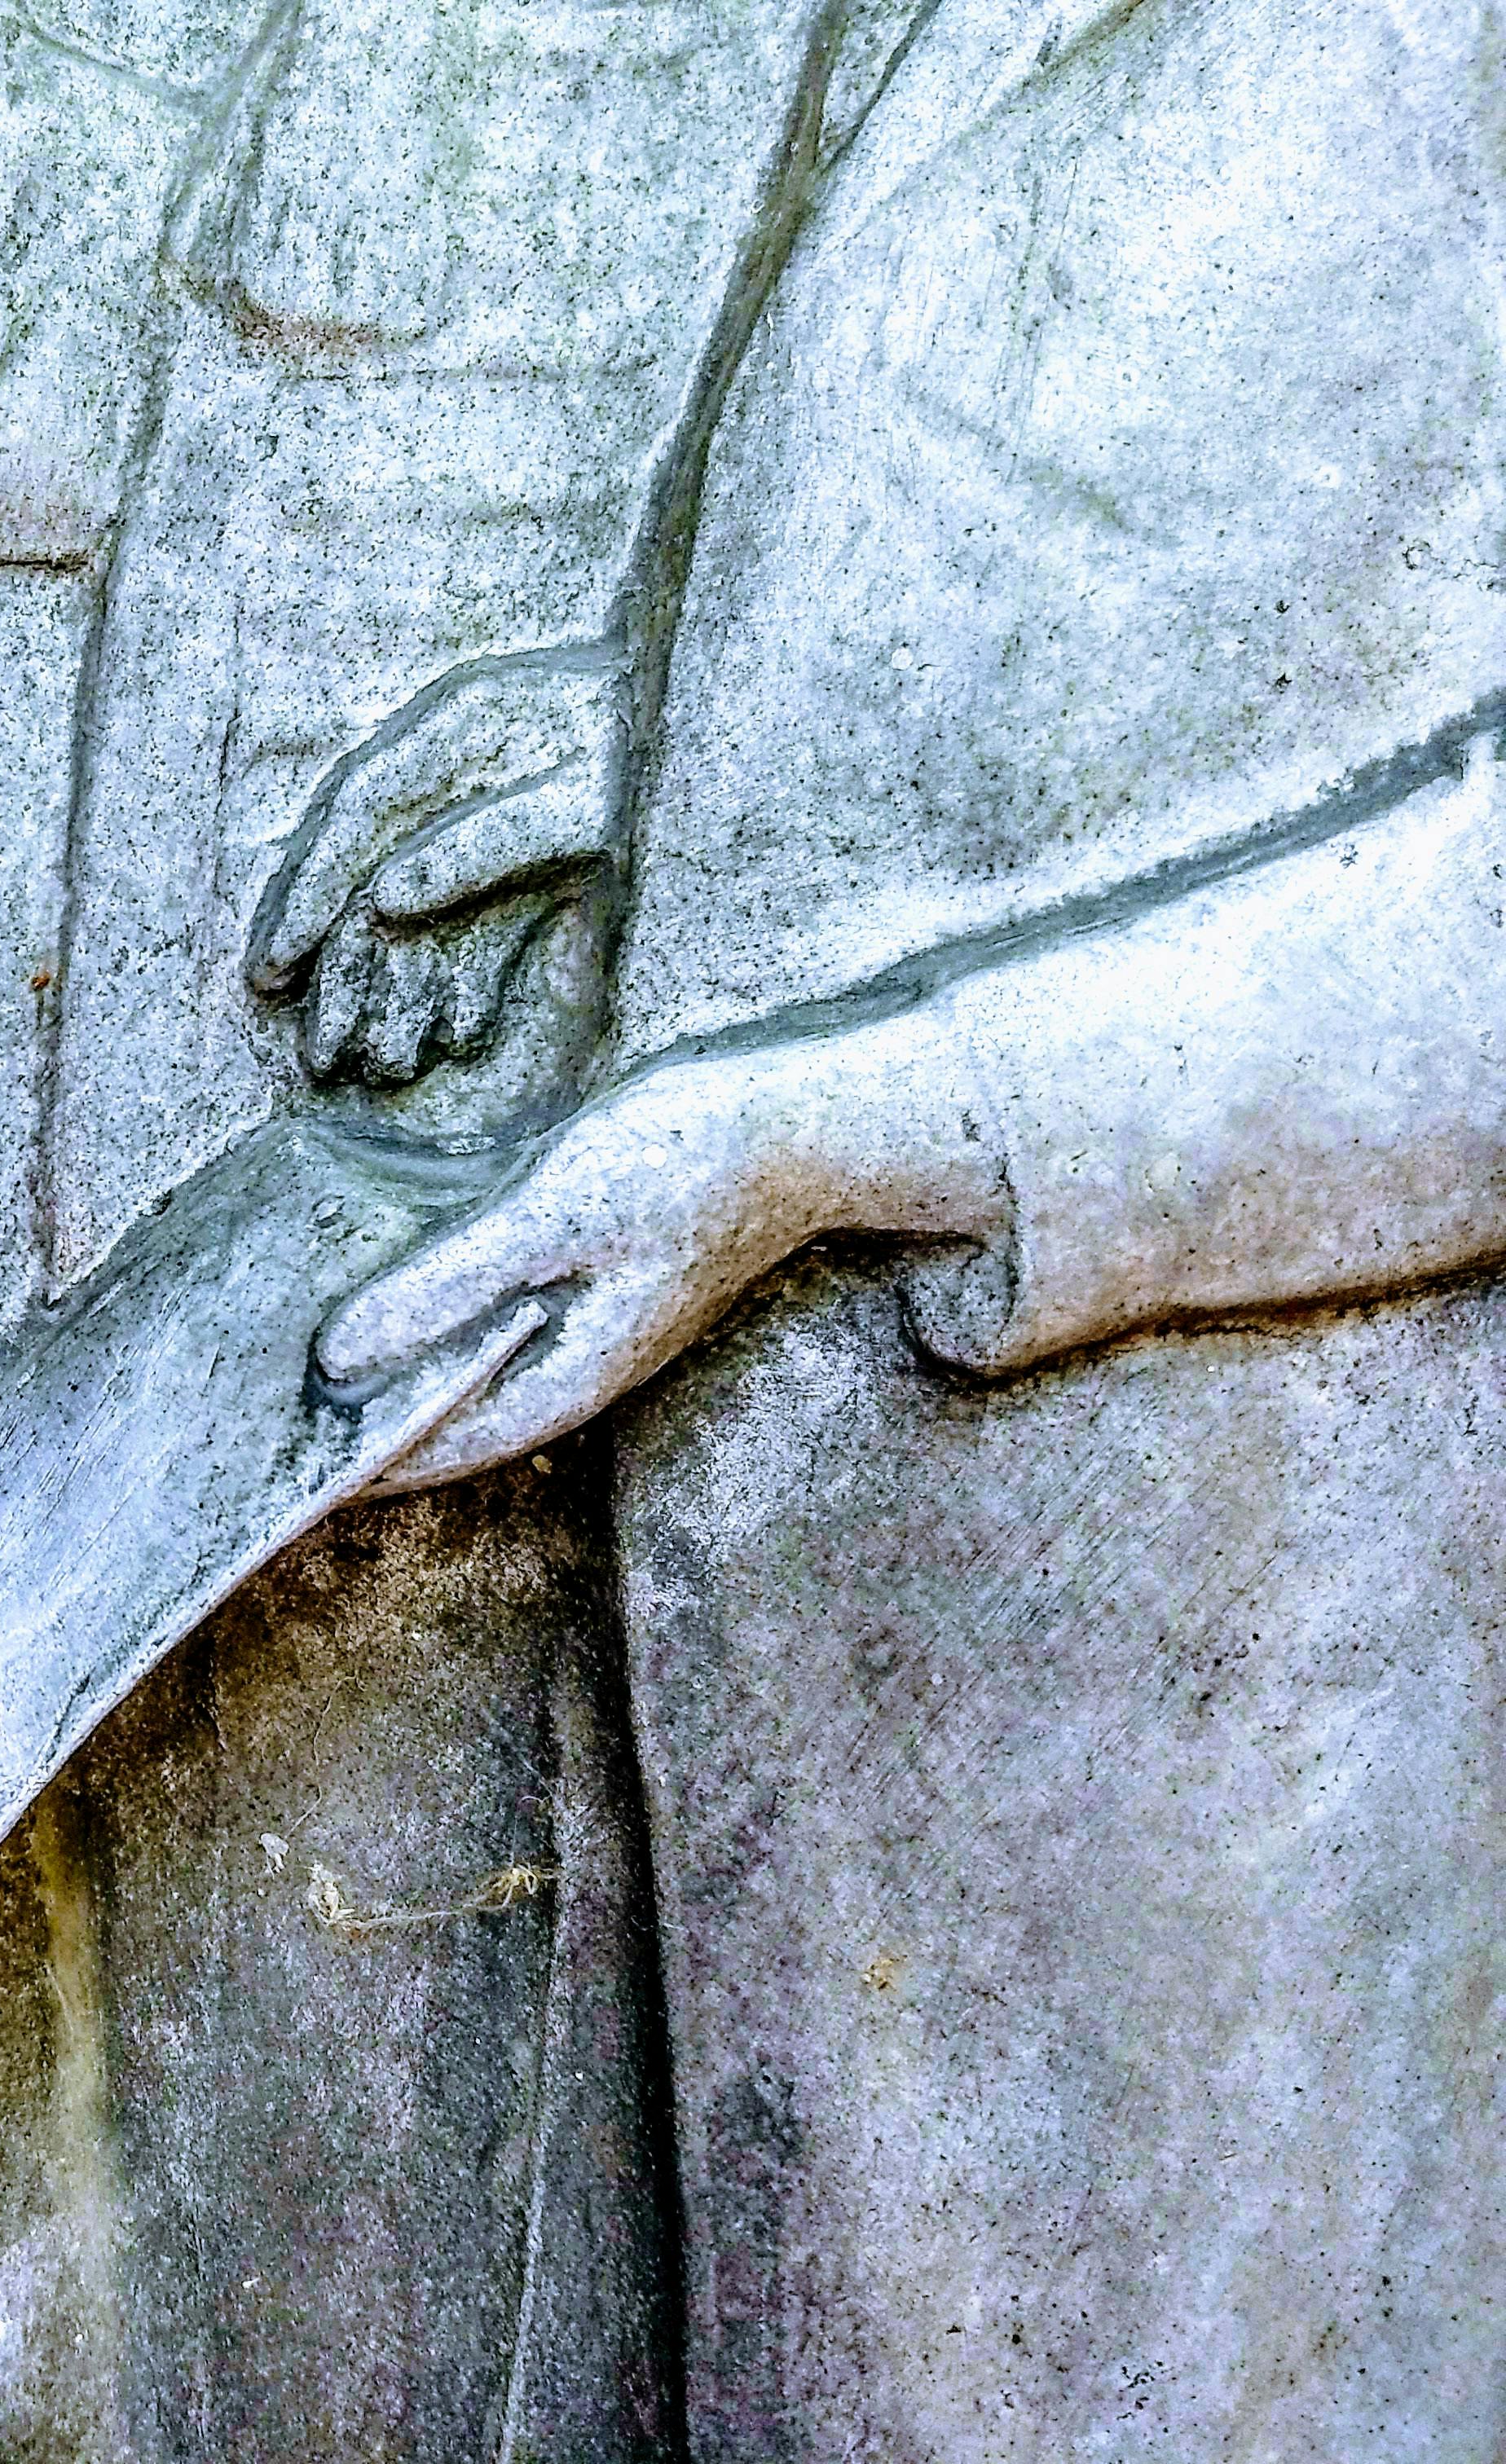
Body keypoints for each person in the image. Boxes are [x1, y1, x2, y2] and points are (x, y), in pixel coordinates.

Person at [300, 0, 1506, 2448]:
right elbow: (1201, 501)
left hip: (1235, 1793)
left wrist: (861, 1122)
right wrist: (653, 749)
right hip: (868, 1760)